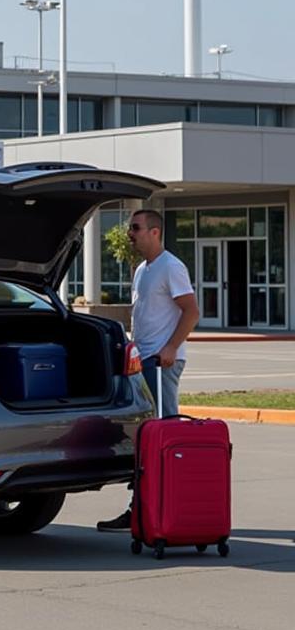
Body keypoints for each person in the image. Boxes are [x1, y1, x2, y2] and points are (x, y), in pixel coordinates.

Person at [97, 208, 200, 532]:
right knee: (146, 437)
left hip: (162, 364)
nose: (130, 233)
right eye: (130, 228)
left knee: (166, 435)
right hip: (144, 363)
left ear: (155, 231)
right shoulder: (142, 269)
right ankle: (143, 508)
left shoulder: (171, 267)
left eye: (136, 228)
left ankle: (168, 508)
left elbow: (192, 311)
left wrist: (170, 348)